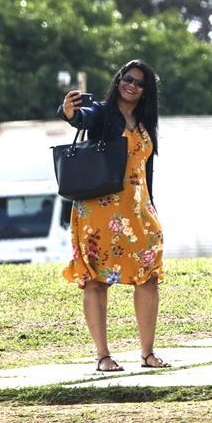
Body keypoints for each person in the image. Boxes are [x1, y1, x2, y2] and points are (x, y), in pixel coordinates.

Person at [59, 60, 171, 371]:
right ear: (119, 79)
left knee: (148, 277)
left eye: (138, 83)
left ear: (146, 92)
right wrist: (70, 112)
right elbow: (83, 118)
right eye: (127, 78)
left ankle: (148, 354)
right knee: (96, 280)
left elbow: (145, 171)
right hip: (99, 210)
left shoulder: (146, 121)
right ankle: (103, 356)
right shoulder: (103, 113)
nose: (130, 85)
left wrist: (152, 207)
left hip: (138, 210)